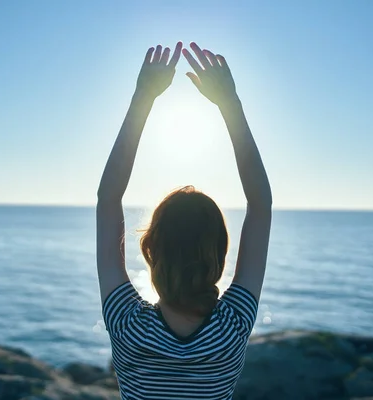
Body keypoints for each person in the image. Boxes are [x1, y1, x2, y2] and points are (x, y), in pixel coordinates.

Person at [96, 41, 272, 400]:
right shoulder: (232, 327)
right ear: (220, 254)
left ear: (150, 250)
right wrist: (230, 104)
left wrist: (143, 97)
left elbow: (108, 200)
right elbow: (261, 204)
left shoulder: (127, 325)